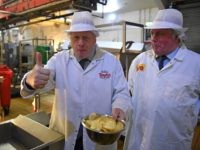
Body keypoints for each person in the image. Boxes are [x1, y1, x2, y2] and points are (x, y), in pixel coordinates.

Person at [20, 11, 131, 150]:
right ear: (70, 39)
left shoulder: (111, 62)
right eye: (76, 37)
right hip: (65, 132)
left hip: (99, 136)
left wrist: (120, 106)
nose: (80, 43)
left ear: (94, 39)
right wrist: (31, 81)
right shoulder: (59, 60)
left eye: (86, 37)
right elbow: (44, 81)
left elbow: (122, 91)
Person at [127, 8, 200, 150]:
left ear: (177, 36)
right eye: (152, 33)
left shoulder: (195, 64)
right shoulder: (140, 60)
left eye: (160, 33)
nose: (153, 38)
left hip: (172, 141)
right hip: (138, 138)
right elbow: (130, 92)